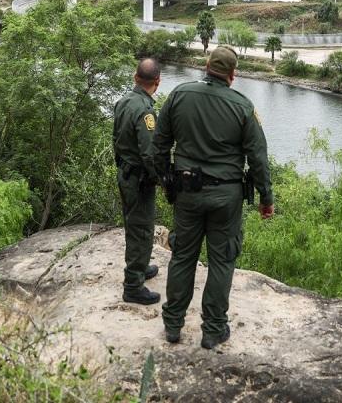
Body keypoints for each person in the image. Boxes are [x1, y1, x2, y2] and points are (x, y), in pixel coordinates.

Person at [154, 45, 273, 349]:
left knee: (182, 256)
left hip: (187, 194)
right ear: (233, 75)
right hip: (226, 198)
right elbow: (258, 158)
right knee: (222, 261)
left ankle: (173, 325)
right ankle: (213, 330)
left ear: (206, 66)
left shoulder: (179, 94)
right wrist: (265, 198)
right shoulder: (243, 106)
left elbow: (159, 144)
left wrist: (166, 180)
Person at [113, 58, 162, 305]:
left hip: (125, 173)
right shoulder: (145, 110)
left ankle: (140, 268)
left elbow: (116, 139)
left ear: (135, 78)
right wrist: (161, 179)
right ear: (157, 82)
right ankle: (133, 285)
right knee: (141, 229)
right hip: (139, 179)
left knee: (135, 225)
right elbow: (149, 154)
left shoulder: (123, 102)